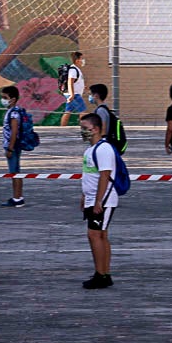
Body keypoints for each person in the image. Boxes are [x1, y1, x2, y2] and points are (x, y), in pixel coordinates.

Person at [80, 112, 118, 289]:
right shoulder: (90, 150)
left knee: (95, 235)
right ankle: (102, 272)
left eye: (85, 128)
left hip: (103, 200)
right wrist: (84, 196)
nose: (82, 132)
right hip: (92, 198)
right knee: (100, 235)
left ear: (95, 129)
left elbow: (105, 176)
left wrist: (98, 201)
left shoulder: (104, 149)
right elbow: (89, 176)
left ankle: (101, 274)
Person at [0, 86, 26, 208]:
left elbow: (14, 131)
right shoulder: (12, 111)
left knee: (14, 172)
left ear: (13, 99)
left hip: (13, 146)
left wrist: (10, 148)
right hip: (13, 146)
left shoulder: (14, 113)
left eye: (5, 98)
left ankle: (17, 198)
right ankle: (17, 196)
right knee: (15, 171)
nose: (3, 100)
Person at [60, 51, 87, 127]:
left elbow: (75, 82)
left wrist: (83, 87)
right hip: (74, 95)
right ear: (77, 60)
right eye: (82, 58)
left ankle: (62, 128)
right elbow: (70, 82)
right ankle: (84, 128)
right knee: (82, 111)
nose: (83, 60)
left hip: (72, 94)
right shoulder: (73, 70)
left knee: (68, 111)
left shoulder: (76, 69)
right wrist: (72, 95)